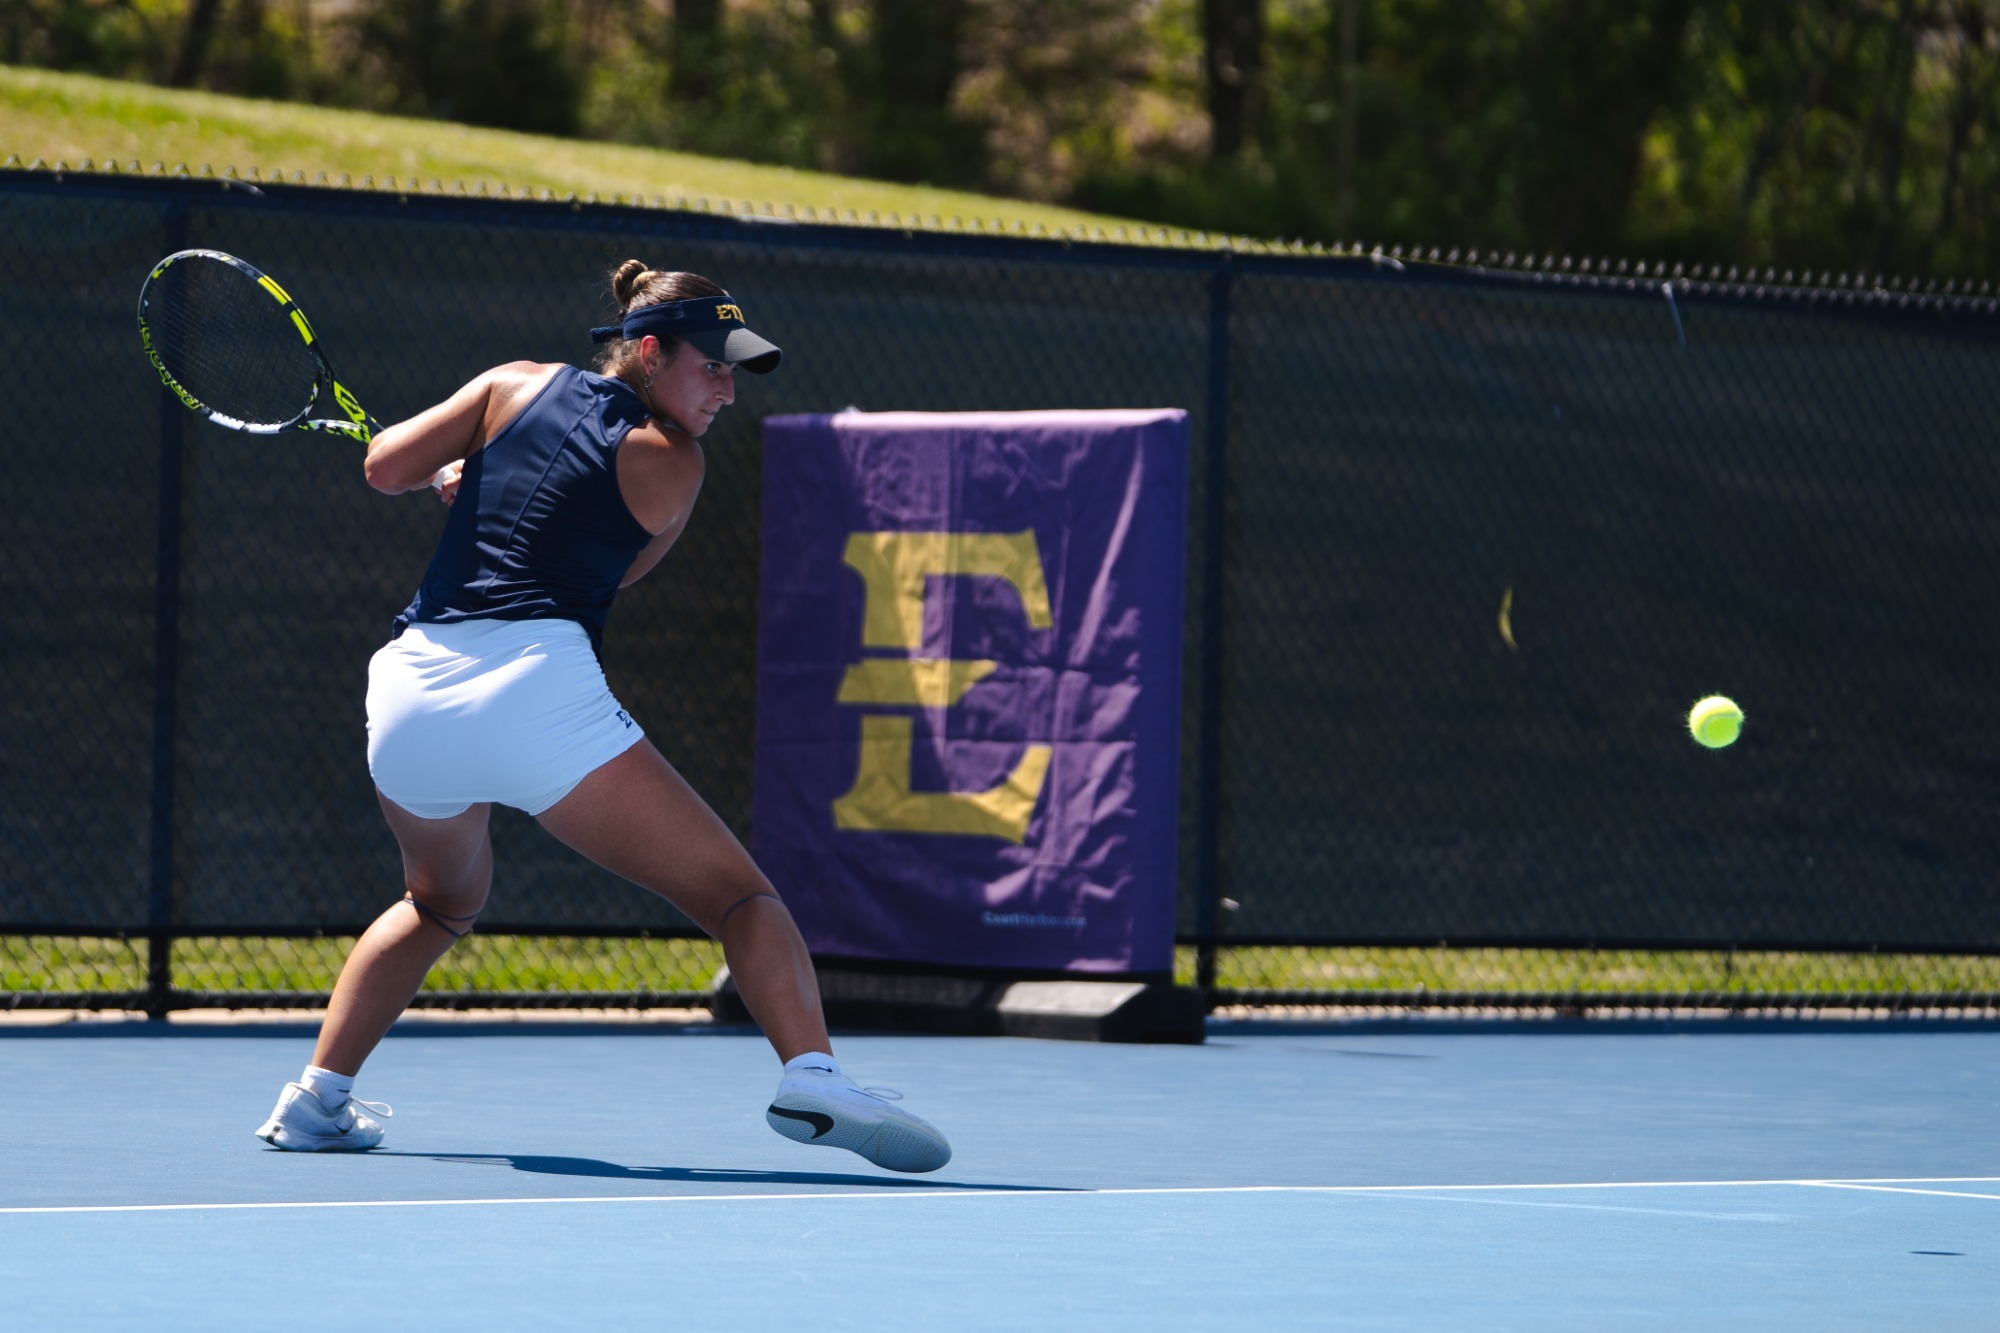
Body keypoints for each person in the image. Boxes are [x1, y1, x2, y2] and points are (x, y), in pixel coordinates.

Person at [253, 260, 951, 1174]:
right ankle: (811, 1073)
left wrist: (473, 475)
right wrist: (498, 482)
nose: (727, 392)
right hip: (536, 691)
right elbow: (607, 569)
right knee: (740, 898)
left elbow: (385, 467)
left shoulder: (508, 383)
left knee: (438, 902)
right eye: (714, 367)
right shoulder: (676, 464)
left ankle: (314, 1099)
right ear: (651, 352)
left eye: (735, 372)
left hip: (409, 696)